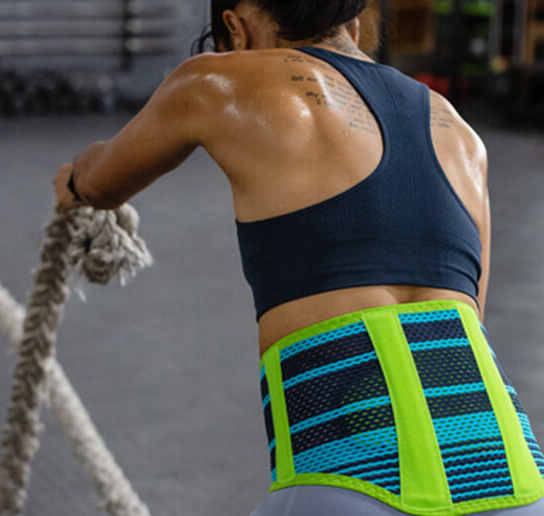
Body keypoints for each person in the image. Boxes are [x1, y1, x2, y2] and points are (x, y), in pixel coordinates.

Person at [53, 1, 544, 514]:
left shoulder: (212, 80)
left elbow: (100, 180)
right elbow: (468, 319)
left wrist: (71, 184)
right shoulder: (461, 135)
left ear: (235, 28)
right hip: (513, 477)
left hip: (348, 478)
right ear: (353, 25)